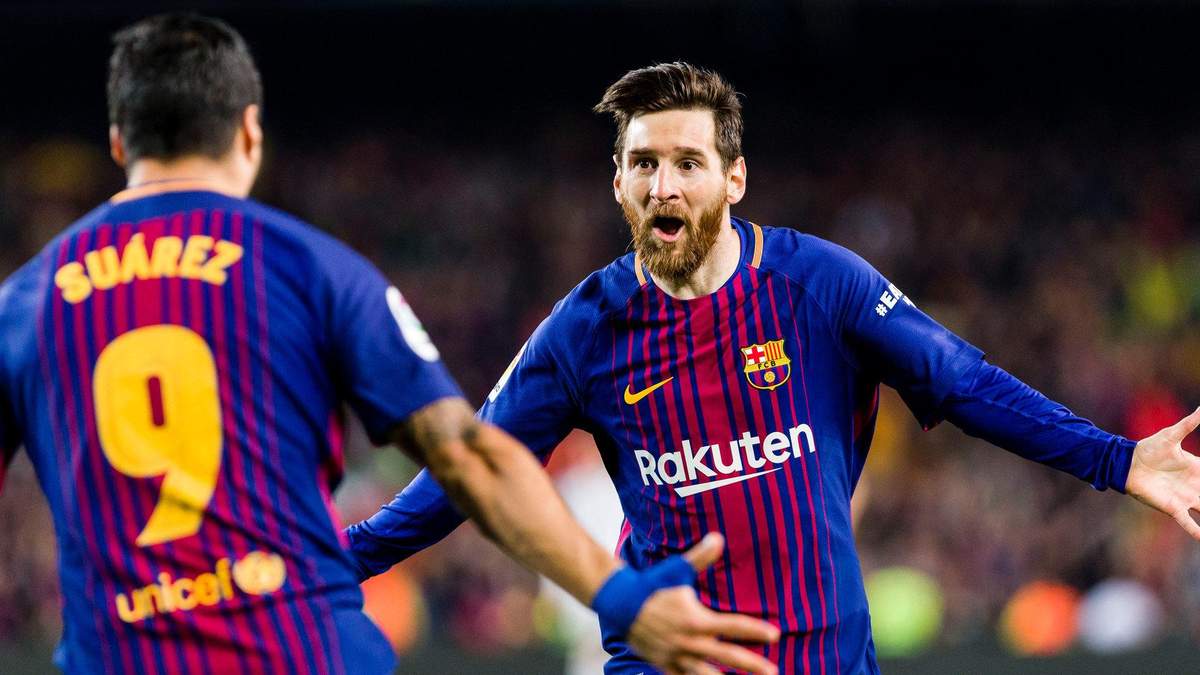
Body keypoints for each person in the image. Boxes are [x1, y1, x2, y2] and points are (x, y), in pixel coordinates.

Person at [345, 61, 1200, 674]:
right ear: (617, 183)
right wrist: (343, 558)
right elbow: (476, 464)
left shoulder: (819, 286)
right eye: (644, 163)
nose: (664, 185)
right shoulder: (584, 330)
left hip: (823, 654)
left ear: (735, 178)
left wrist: (1116, 459)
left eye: (688, 163)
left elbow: (964, 382)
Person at [0, 20, 781, 675]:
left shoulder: (24, 304)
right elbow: (469, 458)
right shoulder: (311, 270)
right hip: (298, 651)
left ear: (117, 142)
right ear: (249, 133)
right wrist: (619, 597)